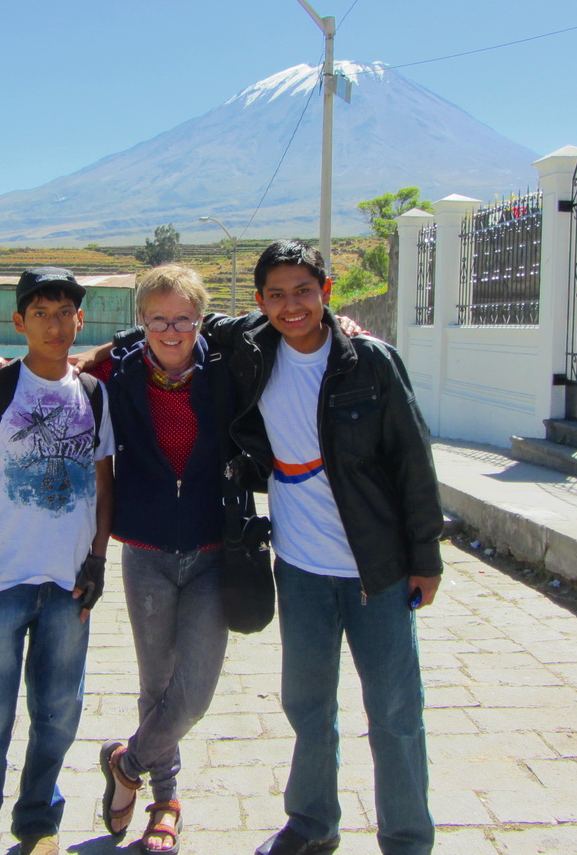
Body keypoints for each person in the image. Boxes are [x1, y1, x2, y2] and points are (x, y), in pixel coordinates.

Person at [0, 264, 236, 855]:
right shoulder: (114, 371)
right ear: (141, 323)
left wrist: (345, 327)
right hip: (144, 550)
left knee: (194, 692)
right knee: (156, 685)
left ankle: (126, 762)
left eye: (184, 318)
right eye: (158, 319)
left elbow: (277, 325)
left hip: (214, 547)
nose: (172, 330)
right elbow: (54, 369)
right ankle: (165, 803)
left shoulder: (229, 364)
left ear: (201, 319)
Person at [208, 240, 444, 855]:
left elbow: (414, 461)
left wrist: (426, 557)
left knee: (394, 712)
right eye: (277, 295)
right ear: (259, 302)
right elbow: (173, 319)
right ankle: (312, 826)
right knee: (308, 706)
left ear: (327, 292)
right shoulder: (252, 350)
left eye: (304, 291)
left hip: (378, 570)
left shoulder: (371, 361)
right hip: (300, 566)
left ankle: (407, 840)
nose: (292, 306)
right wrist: (74, 360)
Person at [0, 266, 116, 855]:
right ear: (19, 322)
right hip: (1, 582)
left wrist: (96, 561)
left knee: (59, 715)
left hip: (68, 588)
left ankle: (38, 822)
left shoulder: (93, 392)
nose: (54, 324)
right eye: (40, 313)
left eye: (65, 312)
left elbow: (103, 480)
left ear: (80, 320)